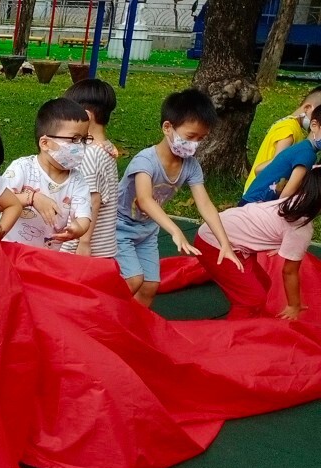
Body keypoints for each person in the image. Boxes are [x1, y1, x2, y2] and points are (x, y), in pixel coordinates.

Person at [116, 89, 242, 307]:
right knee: (133, 280)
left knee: (150, 286)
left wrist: (225, 243)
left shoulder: (191, 166)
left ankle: (131, 329)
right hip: (118, 226)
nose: (194, 144)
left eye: (201, 139)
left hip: (146, 231)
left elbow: (204, 204)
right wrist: (175, 230)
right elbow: (144, 200)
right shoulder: (145, 161)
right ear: (168, 128)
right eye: (190, 137)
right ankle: (101, 322)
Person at [198, 167, 321, 320]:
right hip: (215, 243)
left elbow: (316, 171)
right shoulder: (300, 226)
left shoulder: (293, 202)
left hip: (222, 231)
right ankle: (234, 335)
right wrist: (293, 305)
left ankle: (246, 313)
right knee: (252, 299)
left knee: (262, 284)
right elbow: (289, 271)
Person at [0, 99, 93, 250]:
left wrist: (78, 229)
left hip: (46, 258)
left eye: (83, 139)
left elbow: (83, 216)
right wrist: (32, 198)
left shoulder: (77, 180)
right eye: (74, 139)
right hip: (10, 253)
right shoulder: (22, 167)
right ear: (45, 143)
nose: (80, 146)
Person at [62, 79, 121, 257]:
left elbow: (92, 200)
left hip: (80, 245)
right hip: (103, 244)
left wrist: (84, 242)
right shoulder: (107, 148)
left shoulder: (89, 154)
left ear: (86, 116)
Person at [245, 85, 321, 193]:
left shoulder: (289, 125)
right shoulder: (289, 130)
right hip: (261, 193)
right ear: (307, 108)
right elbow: (273, 165)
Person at [241, 107, 321, 205]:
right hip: (256, 206)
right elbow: (286, 196)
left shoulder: (300, 147)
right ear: (314, 125)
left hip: (250, 200)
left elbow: (258, 170)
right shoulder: (308, 154)